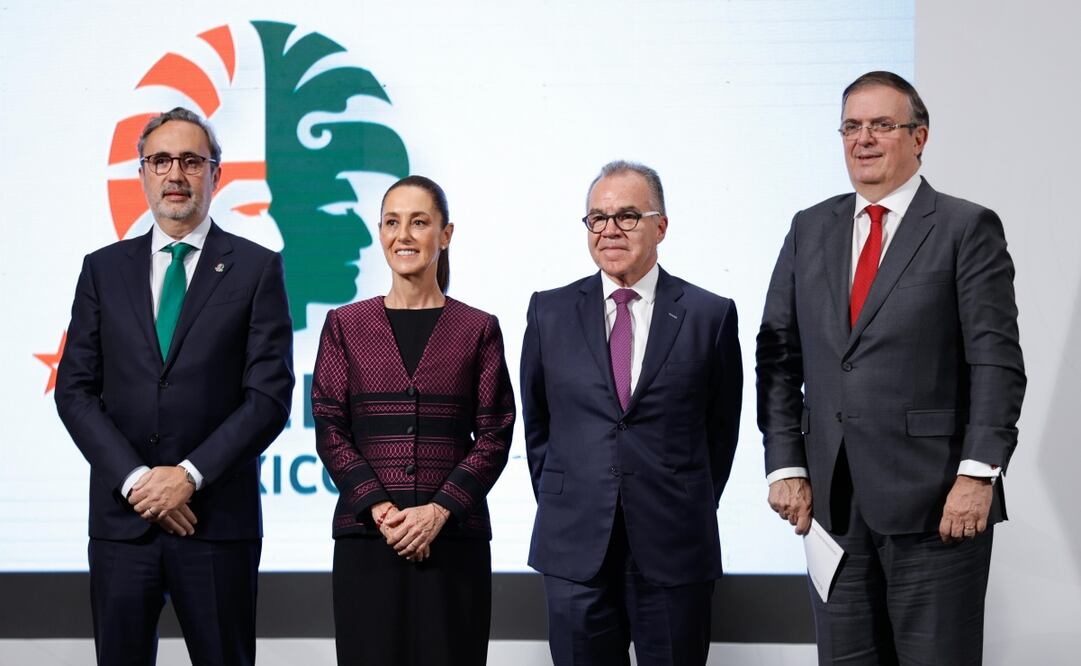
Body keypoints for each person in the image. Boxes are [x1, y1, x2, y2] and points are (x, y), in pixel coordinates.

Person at [757, 71, 1026, 664]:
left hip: (937, 505)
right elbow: (778, 353)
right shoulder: (809, 227)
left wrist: (978, 474)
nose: (864, 139)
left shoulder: (965, 227)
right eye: (852, 126)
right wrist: (784, 464)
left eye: (882, 125)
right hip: (833, 507)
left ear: (919, 136)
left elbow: (996, 362)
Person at [55, 107, 295, 665]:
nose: (175, 174)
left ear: (216, 174)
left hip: (215, 525)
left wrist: (188, 477)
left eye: (191, 160)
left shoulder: (257, 269)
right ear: (142, 173)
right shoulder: (102, 269)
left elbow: (267, 398)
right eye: (160, 160)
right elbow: (75, 391)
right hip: (123, 524)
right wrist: (139, 481)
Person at [521, 160, 743, 665]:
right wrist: (572, 494)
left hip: (674, 546)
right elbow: (539, 426)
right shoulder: (548, 312)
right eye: (597, 218)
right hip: (574, 547)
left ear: (660, 225)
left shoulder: (710, 314)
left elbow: (720, 436)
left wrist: (682, 501)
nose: (609, 230)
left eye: (627, 216)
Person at [312, 175, 515, 665]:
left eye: (419, 222)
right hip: (367, 541)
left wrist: (437, 512)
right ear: (380, 233)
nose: (404, 235)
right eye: (392, 222)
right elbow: (329, 426)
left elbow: (495, 432)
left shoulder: (478, 328)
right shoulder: (346, 325)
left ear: (445, 235)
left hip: (454, 543)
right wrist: (384, 512)